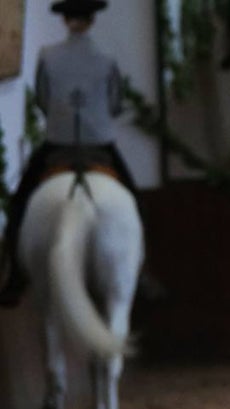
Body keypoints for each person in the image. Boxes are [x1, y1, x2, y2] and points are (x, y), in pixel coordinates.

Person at [0, 0, 137, 307]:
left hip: (57, 144)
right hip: (100, 144)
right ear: (92, 21)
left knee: (21, 202)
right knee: (132, 196)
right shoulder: (107, 58)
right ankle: (142, 272)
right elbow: (115, 104)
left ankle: (14, 278)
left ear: (64, 20)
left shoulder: (48, 56)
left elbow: (43, 101)